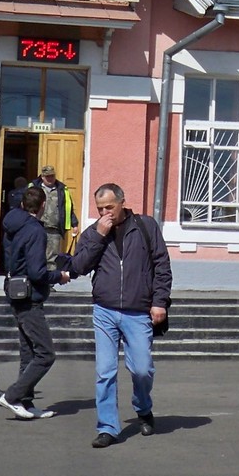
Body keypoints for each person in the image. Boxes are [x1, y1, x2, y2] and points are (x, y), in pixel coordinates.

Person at [70, 183, 173, 449]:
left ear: (122, 202)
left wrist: (159, 302)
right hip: (104, 310)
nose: (105, 213)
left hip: (138, 311)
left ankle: (143, 408)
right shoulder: (94, 232)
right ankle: (107, 428)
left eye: (110, 207)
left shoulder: (146, 227)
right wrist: (99, 236)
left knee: (142, 369)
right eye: (100, 208)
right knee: (105, 372)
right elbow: (79, 266)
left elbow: (162, 265)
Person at [0, 185, 71, 420]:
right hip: (30, 298)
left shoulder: (14, 226)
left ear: (22, 205)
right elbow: (38, 272)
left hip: (18, 293)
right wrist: (59, 276)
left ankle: (24, 403)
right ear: (43, 206)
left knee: (28, 352)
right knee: (45, 353)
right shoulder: (35, 231)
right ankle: (11, 396)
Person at [29, 165, 78, 261]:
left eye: (52, 176)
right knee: (37, 254)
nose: (50, 179)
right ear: (42, 177)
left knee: (52, 258)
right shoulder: (34, 188)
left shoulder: (62, 189)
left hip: (54, 230)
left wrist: (75, 224)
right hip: (37, 228)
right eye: (47, 177)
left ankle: (51, 275)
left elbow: (68, 208)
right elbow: (26, 205)